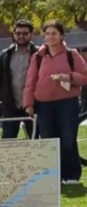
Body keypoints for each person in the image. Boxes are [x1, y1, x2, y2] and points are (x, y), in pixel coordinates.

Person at [24, 20, 86, 184]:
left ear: (61, 36)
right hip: (44, 105)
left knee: (68, 138)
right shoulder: (37, 57)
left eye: (54, 33)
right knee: (48, 139)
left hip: (67, 103)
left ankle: (71, 175)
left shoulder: (71, 54)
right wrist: (28, 104)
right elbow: (30, 82)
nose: (50, 37)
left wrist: (69, 77)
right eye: (47, 34)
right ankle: (53, 175)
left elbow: (84, 77)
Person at [0, 20, 38, 139]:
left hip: (33, 106)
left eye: (25, 33)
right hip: (11, 105)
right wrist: (0, 96)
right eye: (18, 33)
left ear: (31, 35)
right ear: (14, 34)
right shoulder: (5, 55)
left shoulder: (38, 54)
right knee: (8, 140)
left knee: (35, 141)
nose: (21, 36)